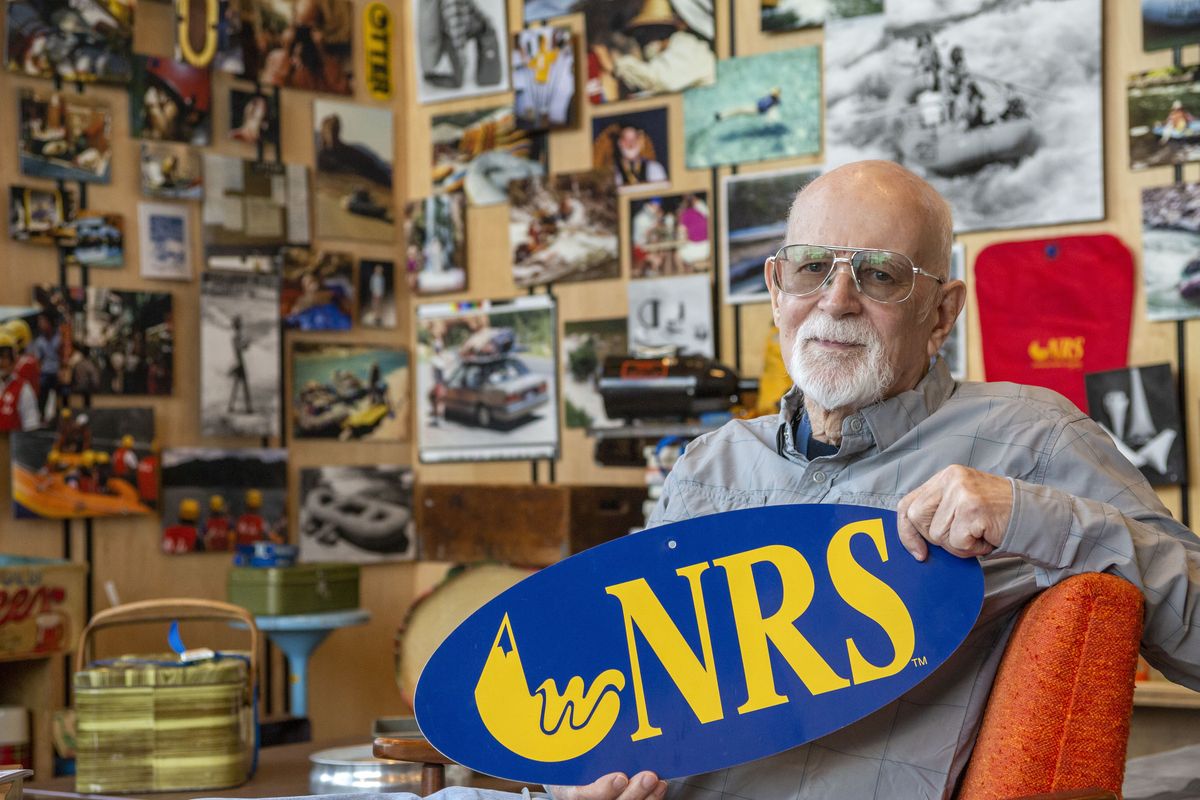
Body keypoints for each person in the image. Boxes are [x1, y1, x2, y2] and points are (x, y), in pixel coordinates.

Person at [550, 160, 1200, 800]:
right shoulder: (705, 464)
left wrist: (1034, 516)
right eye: (811, 268)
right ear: (776, 289)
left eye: (879, 275)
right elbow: (635, 691)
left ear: (942, 313)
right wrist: (588, 777)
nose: (837, 301)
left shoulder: (1032, 439)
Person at [0, 332, 40, 433]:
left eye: (5, 357)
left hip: (13, 445)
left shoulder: (23, 388)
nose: (0, 362)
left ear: (14, 360)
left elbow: (31, 426)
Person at [610, 124, 668, 189]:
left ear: (640, 142)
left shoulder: (654, 168)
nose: (630, 144)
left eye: (634, 139)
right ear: (619, 143)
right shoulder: (612, 173)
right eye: (626, 140)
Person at [228, 315, 253, 415]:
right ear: (238, 326)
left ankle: (232, 407)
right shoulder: (236, 336)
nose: (241, 326)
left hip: (238, 362)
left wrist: (246, 343)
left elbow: (241, 348)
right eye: (239, 325)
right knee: (244, 386)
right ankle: (248, 408)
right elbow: (240, 348)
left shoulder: (236, 336)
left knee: (237, 386)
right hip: (240, 363)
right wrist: (247, 343)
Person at [713, 87, 782, 122]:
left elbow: (772, 111)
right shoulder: (770, 96)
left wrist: (769, 119)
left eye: (773, 93)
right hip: (754, 106)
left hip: (755, 111)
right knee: (738, 110)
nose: (771, 93)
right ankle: (722, 115)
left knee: (738, 111)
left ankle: (722, 117)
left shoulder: (774, 103)